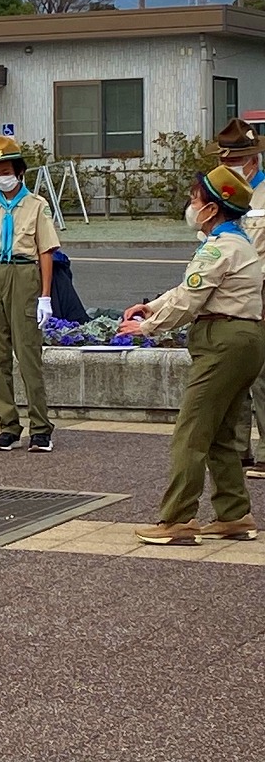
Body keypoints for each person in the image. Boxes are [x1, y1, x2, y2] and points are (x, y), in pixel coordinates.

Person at [120, 166, 264, 545]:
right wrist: (151, 306)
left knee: (192, 431)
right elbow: (190, 288)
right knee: (221, 433)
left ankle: (178, 519)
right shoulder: (237, 243)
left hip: (223, 341)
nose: (191, 205)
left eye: (196, 199)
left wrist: (147, 326)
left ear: (213, 209)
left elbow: (189, 299)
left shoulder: (219, 247)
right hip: (244, 340)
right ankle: (234, 514)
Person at [0, 136, 61, 453]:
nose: (0, 176)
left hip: (23, 273)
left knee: (29, 354)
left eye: (6, 170)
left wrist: (45, 296)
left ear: (18, 171)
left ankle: (41, 427)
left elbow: (46, 251)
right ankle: (7, 425)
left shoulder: (36, 206)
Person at [207, 118, 265, 481]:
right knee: (236, 377)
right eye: (224, 162)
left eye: (236, 162)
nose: (229, 168)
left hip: (262, 290)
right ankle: (239, 449)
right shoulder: (222, 194)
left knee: (263, 377)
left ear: (254, 161)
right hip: (227, 294)